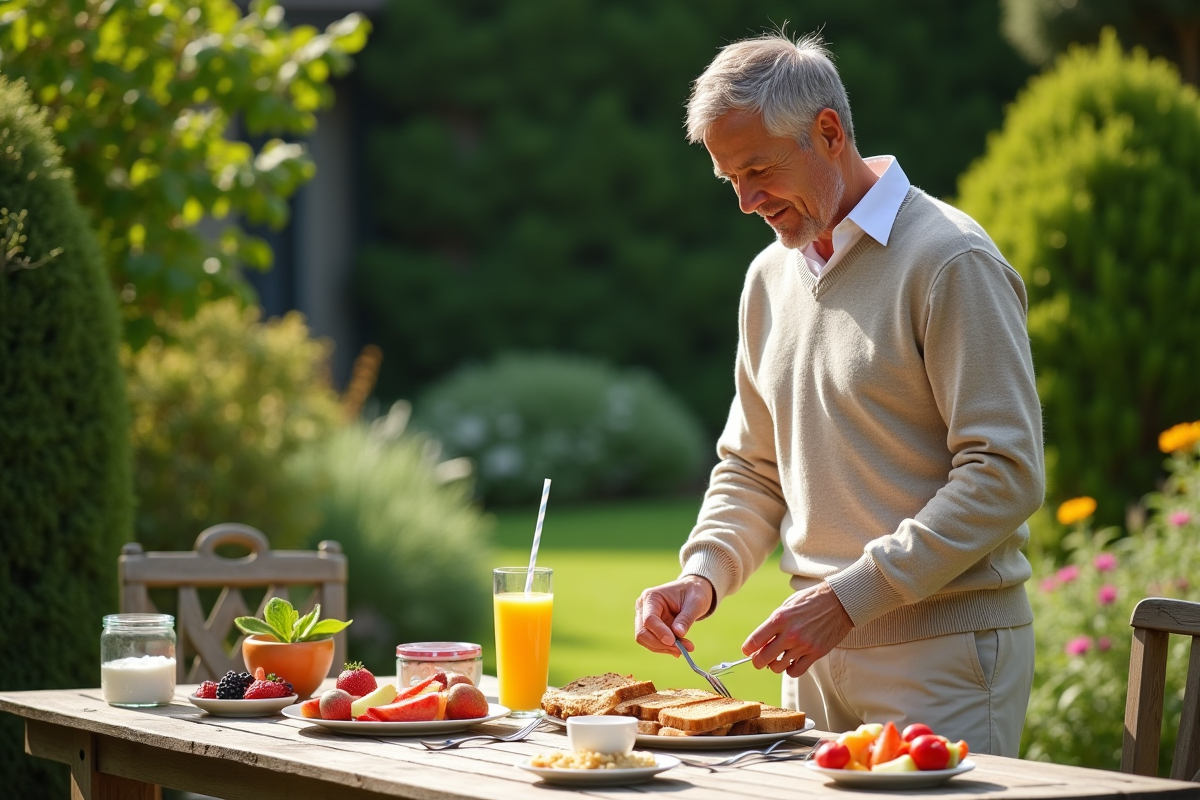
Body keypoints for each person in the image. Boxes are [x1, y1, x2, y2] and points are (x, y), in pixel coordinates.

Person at [633, 31, 1044, 757]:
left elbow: (1004, 474)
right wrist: (701, 576)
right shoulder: (769, 278)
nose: (745, 201)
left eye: (757, 168)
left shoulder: (951, 260)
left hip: (942, 656)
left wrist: (850, 598)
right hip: (813, 658)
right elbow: (752, 468)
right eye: (730, 178)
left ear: (828, 133)